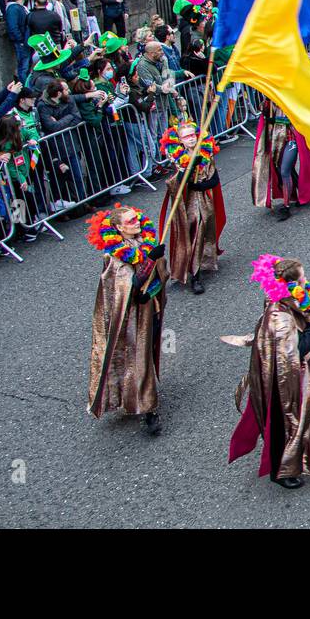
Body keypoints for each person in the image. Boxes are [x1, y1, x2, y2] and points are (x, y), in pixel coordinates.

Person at [228, 254, 310, 489]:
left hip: (288, 371)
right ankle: (280, 471)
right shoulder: (280, 318)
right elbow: (296, 351)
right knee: (284, 421)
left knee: (299, 419)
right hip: (282, 379)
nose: (306, 281)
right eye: (303, 278)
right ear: (291, 284)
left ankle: (302, 456)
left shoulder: (284, 300)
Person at [85, 205, 167, 435]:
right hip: (130, 318)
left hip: (150, 308)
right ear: (119, 228)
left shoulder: (145, 241)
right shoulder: (114, 257)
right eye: (131, 222)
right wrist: (149, 261)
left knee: (146, 355)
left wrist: (155, 265)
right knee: (137, 358)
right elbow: (125, 288)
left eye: (137, 219)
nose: (137, 223)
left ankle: (139, 394)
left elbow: (158, 277)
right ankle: (148, 409)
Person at [157, 121, 225, 295]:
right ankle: (194, 275)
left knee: (206, 230)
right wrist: (189, 168)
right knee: (193, 232)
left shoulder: (206, 153)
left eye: (192, 135)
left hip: (205, 199)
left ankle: (206, 260)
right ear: (180, 140)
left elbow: (214, 178)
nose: (191, 139)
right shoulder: (178, 157)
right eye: (186, 137)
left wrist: (203, 185)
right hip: (187, 202)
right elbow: (180, 182)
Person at [252, 98, 310, 221]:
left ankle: (286, 206)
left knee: (284, 170)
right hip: (275, 139)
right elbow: (263, 111)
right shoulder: (270, 97)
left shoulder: (290, 96)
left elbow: (295, 118)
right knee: (280, 168)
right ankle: (300, 190)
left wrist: (276, 119)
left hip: (291, 138)